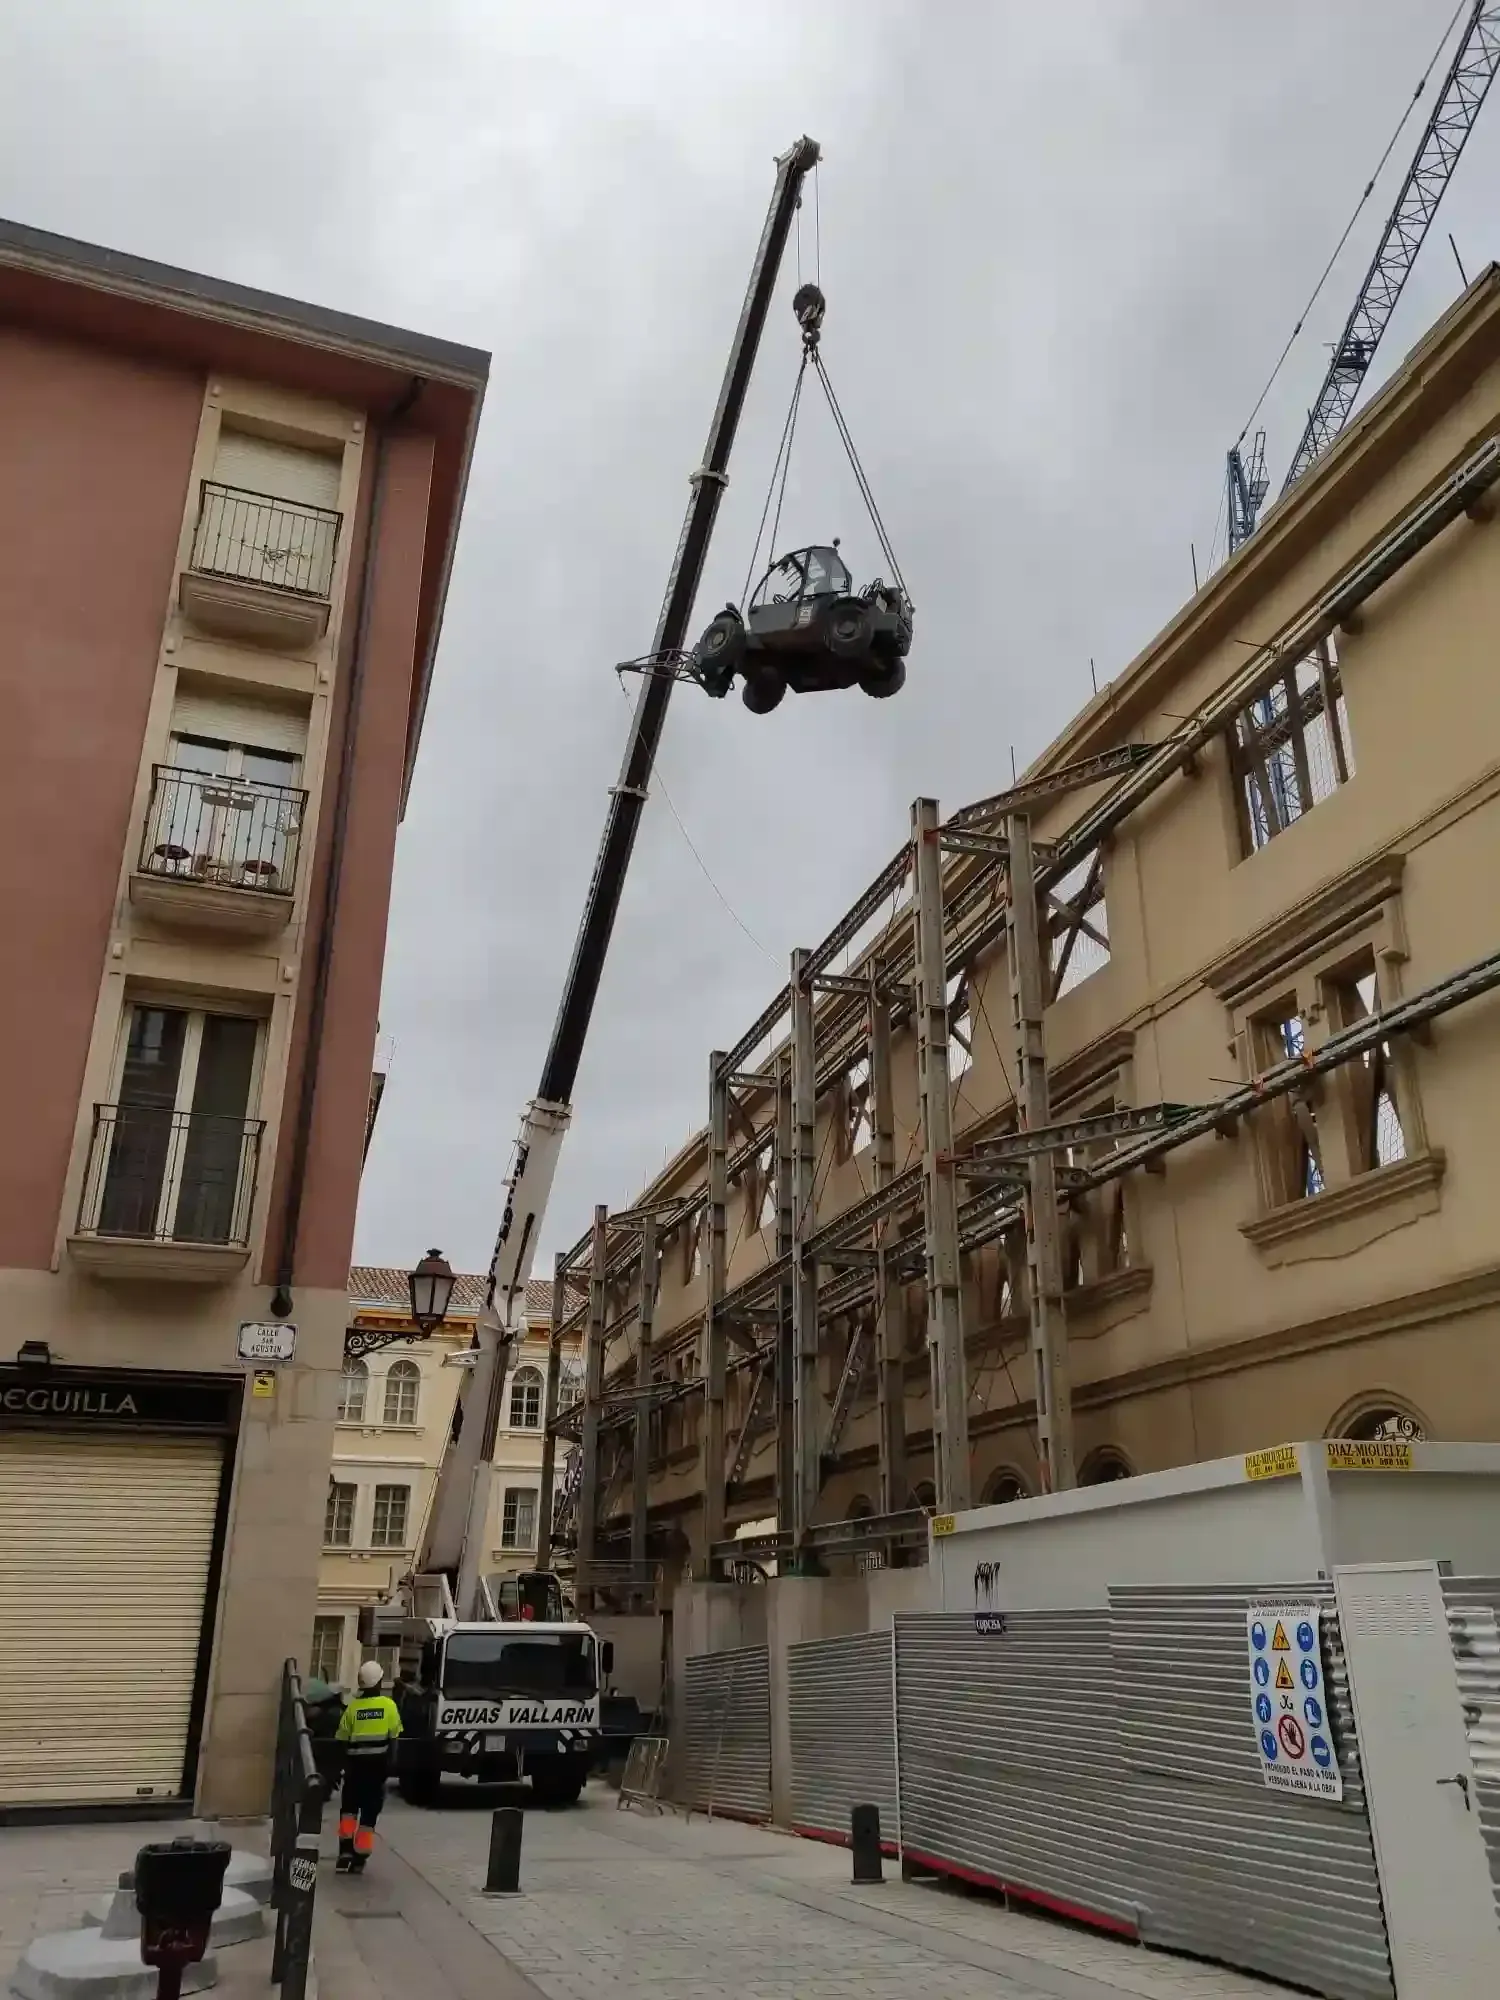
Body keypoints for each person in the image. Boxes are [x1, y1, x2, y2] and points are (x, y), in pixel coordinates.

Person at [334, 1660, 403, 1873]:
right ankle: (360, 1857)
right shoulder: (389, 1706)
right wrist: (392, 1765)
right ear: (379, 1682)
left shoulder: (353, 1708)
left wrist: (342, 1766)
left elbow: (342, 1740)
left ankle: (345, 1850)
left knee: (348, 1810)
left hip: (355, 1770)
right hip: (377, 1770)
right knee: (369, 1815)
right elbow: (395, 1739)